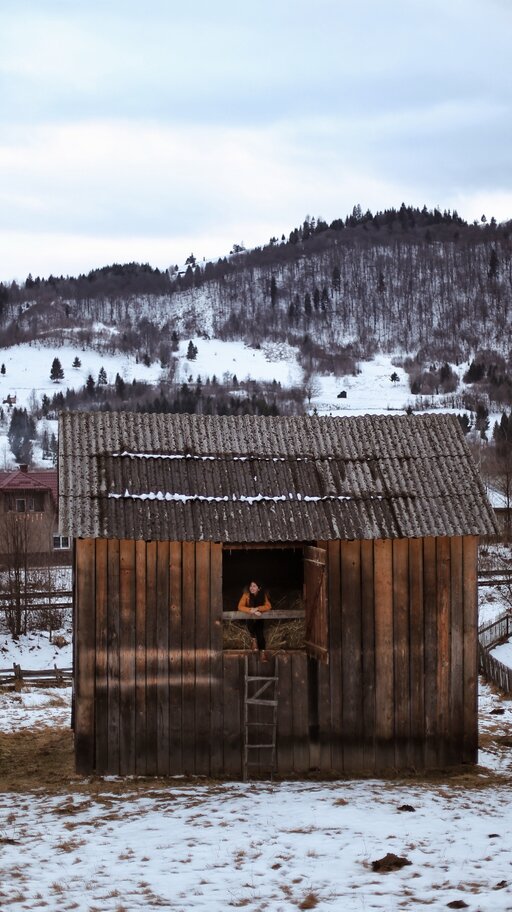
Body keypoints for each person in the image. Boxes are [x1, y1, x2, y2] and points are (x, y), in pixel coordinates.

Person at [237, 580, 272, 659]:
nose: (251, 588)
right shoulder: (246, 595)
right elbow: (240, 606)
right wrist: (251, 611)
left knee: (259, 631)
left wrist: (257, 609)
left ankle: (262, 652)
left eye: (254, 586)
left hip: (259, 617)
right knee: (250, 622)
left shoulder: (263, 595)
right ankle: (253, 640)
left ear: (259, 588)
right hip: (250, 616)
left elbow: (268, 606)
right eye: (251, 586)